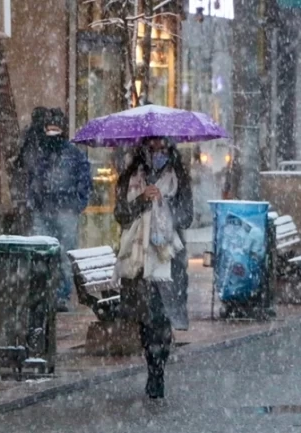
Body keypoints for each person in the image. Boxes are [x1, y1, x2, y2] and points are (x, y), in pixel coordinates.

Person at [113, 137, 193, 399]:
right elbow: (121, 214)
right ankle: (152, 365)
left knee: (163, 317)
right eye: (152, 146)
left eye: (161, 146)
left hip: (168, 255)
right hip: (139, 257)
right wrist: (142, 200)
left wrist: (164, 204)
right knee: (147, 319)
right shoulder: (131, 175)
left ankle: (159, 369)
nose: (157, 151)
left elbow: (187, 216)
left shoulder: (177, 175)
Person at [21, 107, 92, 312]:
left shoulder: (72, 154)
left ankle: (61, 294)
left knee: (63, 255)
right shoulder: (43, 153)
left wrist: (76, 204)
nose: (52, 133)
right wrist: (35, 201)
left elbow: (84, 181)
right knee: (43, 253)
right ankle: (46, 293)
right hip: (45, 210)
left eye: (55, 129)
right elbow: (33, 178)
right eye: (49, 129)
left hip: (65, 211)